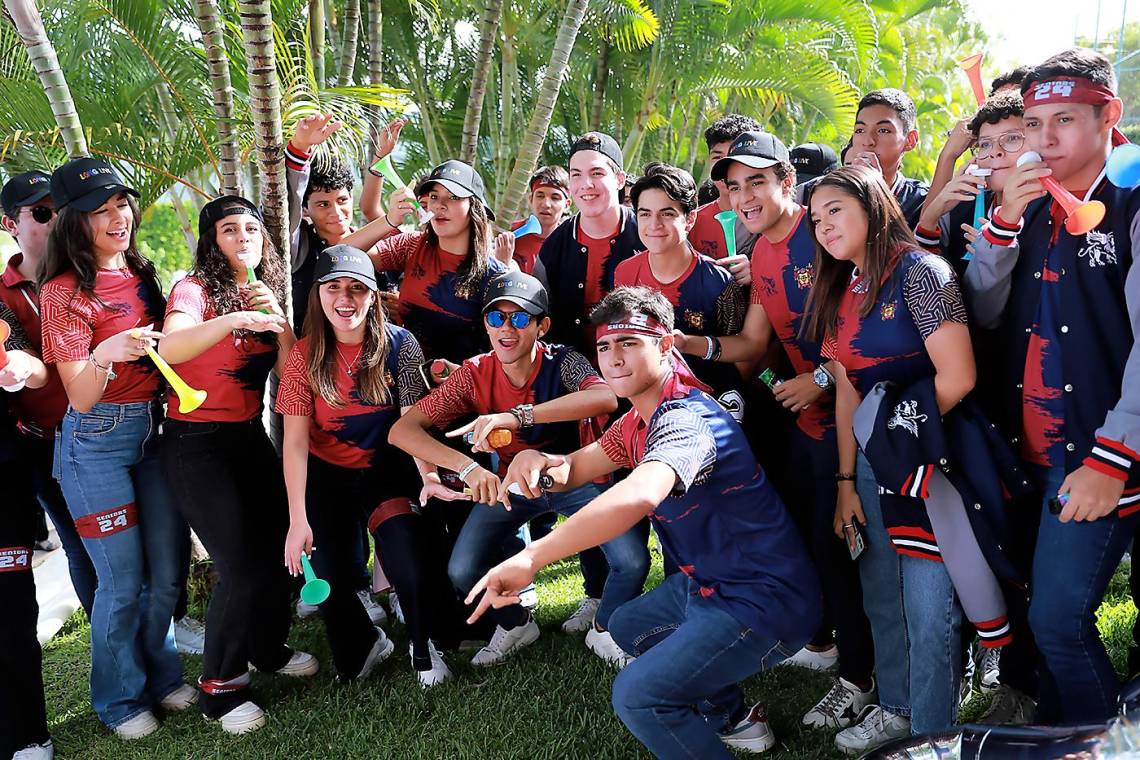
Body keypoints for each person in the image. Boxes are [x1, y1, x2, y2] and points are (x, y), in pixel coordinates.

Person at [464, 285, 820, 758]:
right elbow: (573, 468)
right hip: (711, 584)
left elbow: (640, 492)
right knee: (628, 624)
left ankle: (723, 715)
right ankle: (732, 714)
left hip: (765, 598)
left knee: (639, 697)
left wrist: (533, 556)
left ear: (666, 345)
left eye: (629, 342)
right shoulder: (637, 419)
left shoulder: (689, 419)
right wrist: (534, 460)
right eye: (605, 347)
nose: (613, 358)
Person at [964, 48, 1140, 725]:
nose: (1044, 141)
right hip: (1031, 447)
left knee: (1059, 620)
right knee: (1047, 614)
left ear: (1108, 117)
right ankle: (1067, 730)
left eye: (1064, 120)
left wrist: (1111, 459)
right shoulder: (1029, 201)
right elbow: (979, 312)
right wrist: (1003, 225)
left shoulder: (1130, 201)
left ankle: (1100, 740)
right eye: (1034, 124)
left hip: (1099, 454)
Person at [681, 131, 878, 731]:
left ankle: (862, 679)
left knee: (847, 554)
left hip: (860, 419)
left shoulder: (821, 236)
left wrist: (820, 376)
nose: (744, 195)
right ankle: (838, 653)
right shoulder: (761, 250)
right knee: (813, 544)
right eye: (733, 185)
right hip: (806, 428)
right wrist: (685, 343)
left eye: (757, 181)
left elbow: (867, 325)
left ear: (787, 182)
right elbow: (756, 344)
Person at [389, 271, 651, 667]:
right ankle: (515, 623)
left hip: (573, 477)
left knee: (632, 561)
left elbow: (605, 398)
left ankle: (606, 628)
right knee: (463, 569)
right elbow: (403, 431)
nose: (506, 329)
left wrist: (517, 416)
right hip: (511, 484)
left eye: (519, 318)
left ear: (541, 326)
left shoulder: (562, 360)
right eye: (496, 318)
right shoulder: (474, 373)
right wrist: (467, 468)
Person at [804, 165, 976, 753]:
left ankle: (935, 734)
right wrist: (848, 478)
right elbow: (847, 386)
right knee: (882, 593)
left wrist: (900, 441)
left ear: (873, 207)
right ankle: (898, 708)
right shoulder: (842, 286)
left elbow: (958, 376)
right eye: (816, 217)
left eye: (835, 210)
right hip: (873, 463)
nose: (823, 225)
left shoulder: (921, 272)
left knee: (930, 605)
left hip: (930, 461)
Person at [39, 158, 194, 738]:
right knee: (122, 582)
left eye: (121, 204)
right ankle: (120, 700)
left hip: (156, 433)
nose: (117, 217)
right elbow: (78, 397)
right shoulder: (61, 294)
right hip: (95, 443)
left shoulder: (143, 271)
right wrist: (107, 352)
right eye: (99, 210)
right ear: (72, 222)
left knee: (165, 573)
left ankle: (163, 677)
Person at [156, 196, 318, 733]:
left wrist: (277, 322)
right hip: (194, 444)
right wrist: (233, 318)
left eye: (252, 228)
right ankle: (220, 690)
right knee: (238, 563)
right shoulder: (193, 289)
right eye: (230, 230)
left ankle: (266, 648)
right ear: (212, 241)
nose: (243, 237)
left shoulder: (264, 292)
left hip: (247, 437)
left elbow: (294, 369)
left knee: (277, 550)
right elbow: (173, 346)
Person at [278, 245, 465, 687]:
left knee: (407, 557)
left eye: (358, 288)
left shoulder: (400, 344)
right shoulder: (302, 358)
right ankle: (366, 642)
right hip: (327, 475)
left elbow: (412, 423)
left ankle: (424, 644)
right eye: (334, 287)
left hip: (386, 469)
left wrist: (428, 476)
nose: (346, 298)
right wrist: (297, 519)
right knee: (331, 577)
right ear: (319, 295)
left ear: (373, 295)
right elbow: (296, 443)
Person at [284, 113, 398, 625]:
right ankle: (340, 578)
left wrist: (377, 166)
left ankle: (390, 581)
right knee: (326, 485)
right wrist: (297, 155)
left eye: (340, 201)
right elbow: (351, 247)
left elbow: (372, 231)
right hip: (310, 381)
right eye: (320, 203)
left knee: (388, 485)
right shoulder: (301, 249)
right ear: (306, 211)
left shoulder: (375, 246)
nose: (333, 210)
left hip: (381, 382)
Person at [0, 170, 96, 614]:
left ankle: (165, 625)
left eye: (60, 208)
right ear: (9, 225)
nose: (56, 218)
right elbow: (22, 362)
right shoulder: (2, 296)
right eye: (41, 211)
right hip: (47, 442)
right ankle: (111, 641)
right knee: (81, 545)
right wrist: (22, 367)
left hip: (108, 429)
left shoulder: (92, 270)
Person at [615, 162, 747, 418]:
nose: (654, 224)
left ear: (690, 219)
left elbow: (743, 353)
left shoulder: (718, 281)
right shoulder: (625, 273)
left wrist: (689, 345)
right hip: (642, 402)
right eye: (644, 213)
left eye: (667, 214)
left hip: (709, 405)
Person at [0, 302, 54, 760]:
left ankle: (29, 733)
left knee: (12, 607)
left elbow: (37, 371)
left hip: (3, 477)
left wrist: (23, 365)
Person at [916, 91, 1027, 275]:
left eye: (1012, 138)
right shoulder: (961, 207)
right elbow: (916, 279)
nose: (995, 152)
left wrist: (992, 255)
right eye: (985, 144)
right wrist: (932, 215)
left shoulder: (1049, 215)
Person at [846, 89, 928, 228]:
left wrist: (876, 189)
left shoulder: (921, 200)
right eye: (860, 130)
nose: (868, 141)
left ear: (910, 140)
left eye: (883, 130)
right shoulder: (820, 190)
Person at [688, 114, 762, 265]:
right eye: (717, 158)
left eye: (733, 158)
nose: (725, 167)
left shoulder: (771, 218)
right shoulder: (692, 222)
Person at [505, 166, 572, 274]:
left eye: (555, 198)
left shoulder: (572, 243)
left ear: (567, 205)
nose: (546, 204)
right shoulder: (510, 234)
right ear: (531, 199)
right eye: (540, 196)